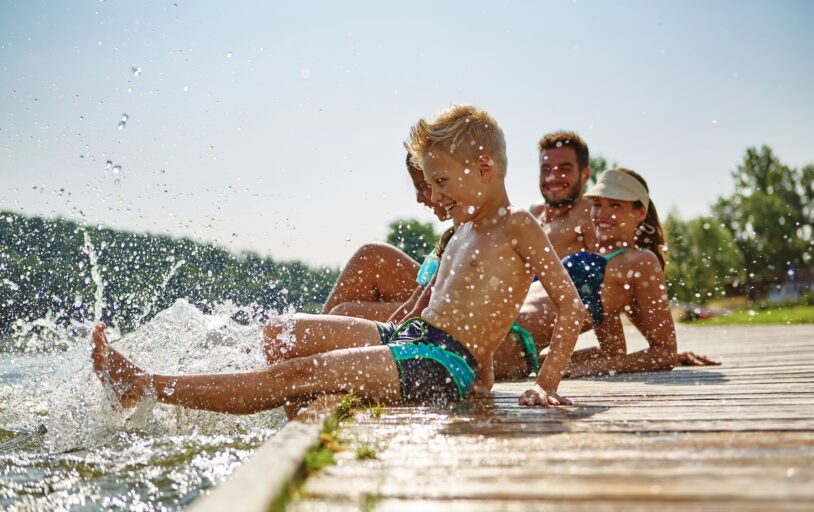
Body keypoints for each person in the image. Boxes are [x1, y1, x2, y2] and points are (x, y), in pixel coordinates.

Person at [91, 104, 585, 413]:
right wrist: (484, 380)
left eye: (441, 182)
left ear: (483, 167)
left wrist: (546, 383)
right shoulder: (463, 228)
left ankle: (146, 385)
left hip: (438, 361)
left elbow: (570, 306)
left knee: (297, 376)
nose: (435, 196)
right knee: (285, 332)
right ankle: (227, 387)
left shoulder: (517, 225)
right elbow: (468, 303)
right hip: (414, 337)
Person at [494, 168, 719, 379]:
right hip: (506, 341)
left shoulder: (641, 262)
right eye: (597, 204)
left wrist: (592, 367)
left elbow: (663, 352)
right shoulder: (603, 263)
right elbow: (613, 352)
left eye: (615, 206)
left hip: (505, 341)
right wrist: (580, 363)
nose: (601, 214)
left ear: (640, 212)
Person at [321, 154, 450, 322]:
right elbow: (416, 302)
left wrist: (393, 332)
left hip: (450, 310)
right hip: (435, 295)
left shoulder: (474, 227)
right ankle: (309, 335)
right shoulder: (456, 231)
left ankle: (313, 338)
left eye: (423, 185)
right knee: (371, 256)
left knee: (343, 316)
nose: (419, 198)